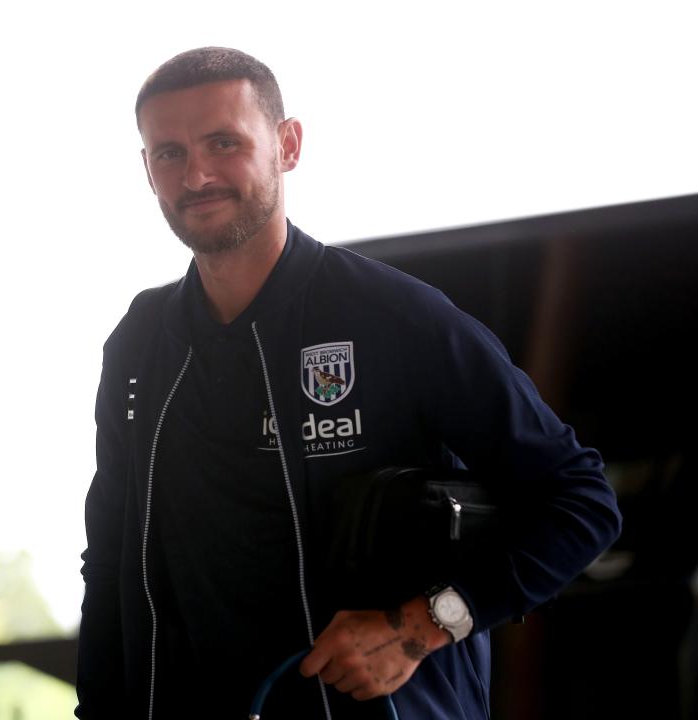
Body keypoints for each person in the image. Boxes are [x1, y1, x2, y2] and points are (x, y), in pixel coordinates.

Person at [76, 47, 622, 720]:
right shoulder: (141, 340)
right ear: (147, 170)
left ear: (288, 144)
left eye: (224, 142)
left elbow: (581, 501)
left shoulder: (393, 317)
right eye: (169, 153)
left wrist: (424, 624)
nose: (197, 174)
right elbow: (108, 565)